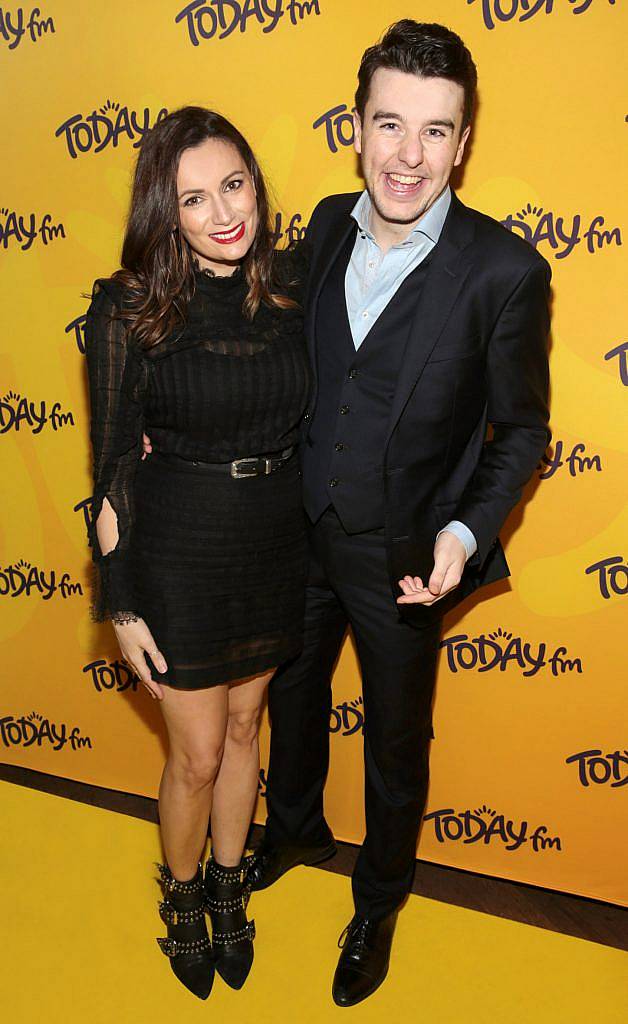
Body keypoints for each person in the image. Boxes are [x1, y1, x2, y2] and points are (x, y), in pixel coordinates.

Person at [248, 20, 551, 1007]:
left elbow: (519, 433)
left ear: (462, 142)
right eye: (389, 125)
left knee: (392, 741)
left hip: (409, 558)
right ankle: (291, 826)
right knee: (287, 704)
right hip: (298, 532)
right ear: (357, 125)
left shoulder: (503, 272)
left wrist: (466, 536)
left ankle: (377, 900)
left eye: (433, 131)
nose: (407, 156)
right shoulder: (326, 223)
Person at [84, 107, 310, 1000]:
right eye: (194, 198)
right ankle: (180, 898)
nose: (223, 212)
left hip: (271, 542)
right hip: (179, 546)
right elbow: (108, 470)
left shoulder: (289, 288)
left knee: (250, 730)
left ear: (255, 183)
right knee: (198, 755)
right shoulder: (128, 308)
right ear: (164, 214)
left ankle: (229, 888)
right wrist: (122, 602)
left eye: (234, 184)